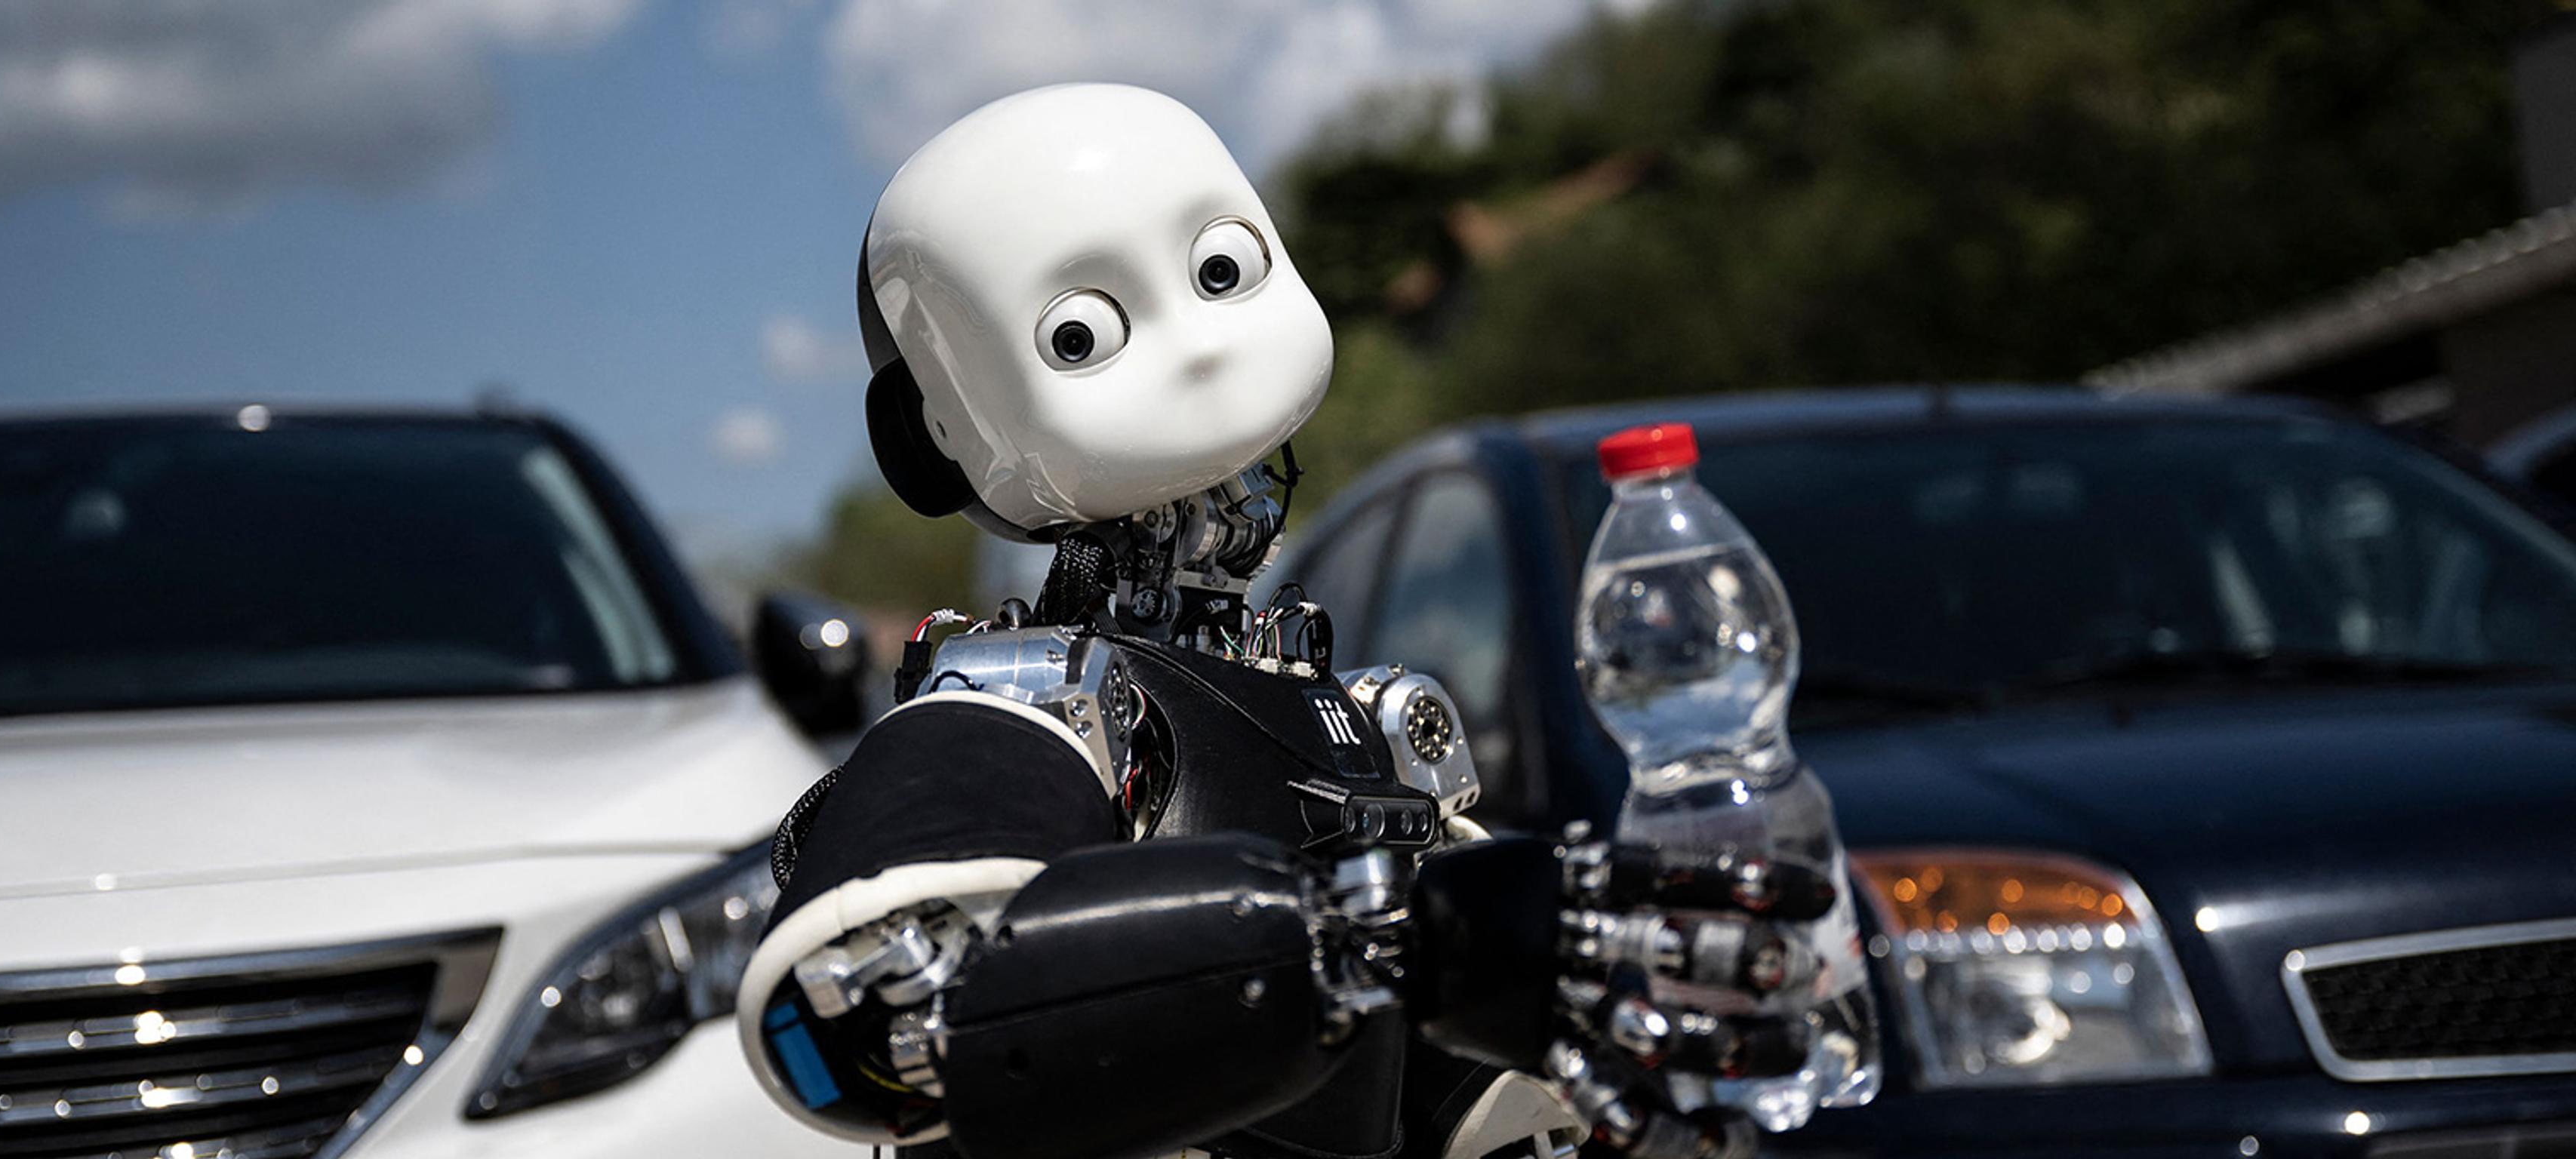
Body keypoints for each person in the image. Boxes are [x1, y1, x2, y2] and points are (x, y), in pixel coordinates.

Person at [736, 83, 1857, 1159]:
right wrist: (1359, 941)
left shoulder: (1349, 717)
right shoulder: (1033, 699)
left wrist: (1610, 1020)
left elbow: (1432, 1080)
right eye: (1080, 332)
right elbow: (858, 1023)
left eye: (1222, 267)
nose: (1202, 340)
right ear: (933, 431)